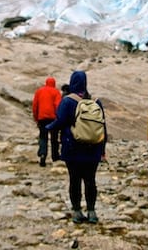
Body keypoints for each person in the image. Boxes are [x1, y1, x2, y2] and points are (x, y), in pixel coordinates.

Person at [46, 70, 107, 224]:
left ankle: (77, 211)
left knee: (75, 180)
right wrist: (102, 151)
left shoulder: (68, 101)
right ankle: (92, 211)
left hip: (72, 148)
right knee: (90, 180)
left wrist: (47, 128)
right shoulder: (96, 101)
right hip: (93, 149)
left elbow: (60, 122)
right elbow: (102, 128)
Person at [32, 76, 62, 167]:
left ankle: (42, 155)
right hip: (53, 118)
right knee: (54, 138)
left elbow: (35, 106)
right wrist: (59, 118)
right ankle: (55, 156)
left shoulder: (39, 91)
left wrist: (36, 118)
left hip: (42, 118)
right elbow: (58, 106)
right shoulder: (56, 92)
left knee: (43, 137)